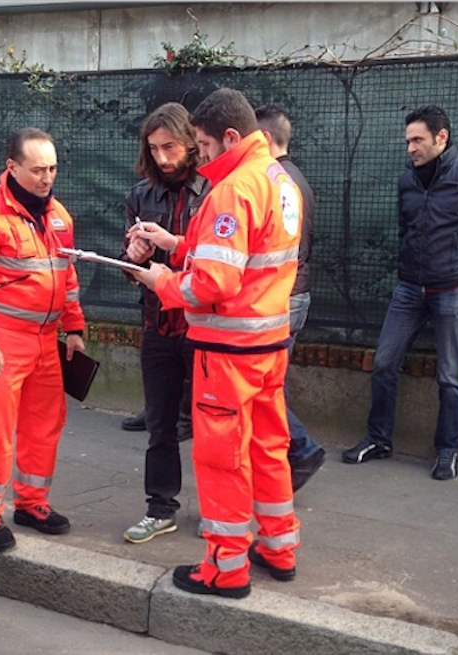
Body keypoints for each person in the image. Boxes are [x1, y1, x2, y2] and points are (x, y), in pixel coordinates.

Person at [132, 87, 302, 599]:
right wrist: (178, 244)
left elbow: (213, 284)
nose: (199, 156)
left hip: (226, 356)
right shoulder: (278, 178)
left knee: (222, 458)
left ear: (230, 137)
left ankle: (225, 568)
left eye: (203, 146)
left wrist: (161, 279)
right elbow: (246, 252)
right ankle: (278, 547)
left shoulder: (233, 188)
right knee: (269, 449)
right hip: (267, 348)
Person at [342, 105, 458, 480]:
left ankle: (447, 450)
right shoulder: (407, 180)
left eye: (418, 140)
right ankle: (379, 439)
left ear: (442, 137)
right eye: (408, 140)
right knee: (383, 363)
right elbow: (406, 227)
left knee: (450, 375)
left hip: (455, 290)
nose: (410, 148)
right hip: (410, 288)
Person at [0, 127, 86, 552]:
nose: (46, 179)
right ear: (12, 168)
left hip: (46, 341)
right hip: (3, 343)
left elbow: (67, 278)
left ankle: (31, 503)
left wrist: (75, 328)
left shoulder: (58, 216)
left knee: (44, 426)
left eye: (52, 169)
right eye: (37, 170)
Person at [120, 102, 210, 544]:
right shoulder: (140, 194)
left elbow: (217, 265)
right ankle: (160, 508)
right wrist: (132, 258)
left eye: (169, 147)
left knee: (212, 423)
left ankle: (218, 509)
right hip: (158, 324)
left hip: (204, 326)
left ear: (191, 143)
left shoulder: (214, 191)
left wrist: (174, 247)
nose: (161, 157)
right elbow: (128, 263)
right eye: (153, 148)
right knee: (160, 424)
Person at [255, 104, 326, 492]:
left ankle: (300, 449)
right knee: (268, 385)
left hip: (282, 297)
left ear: (264, 139)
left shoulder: (276, 181)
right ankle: (291, 453)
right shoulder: (295, 179)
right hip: (295, 294)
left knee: (263, 388)